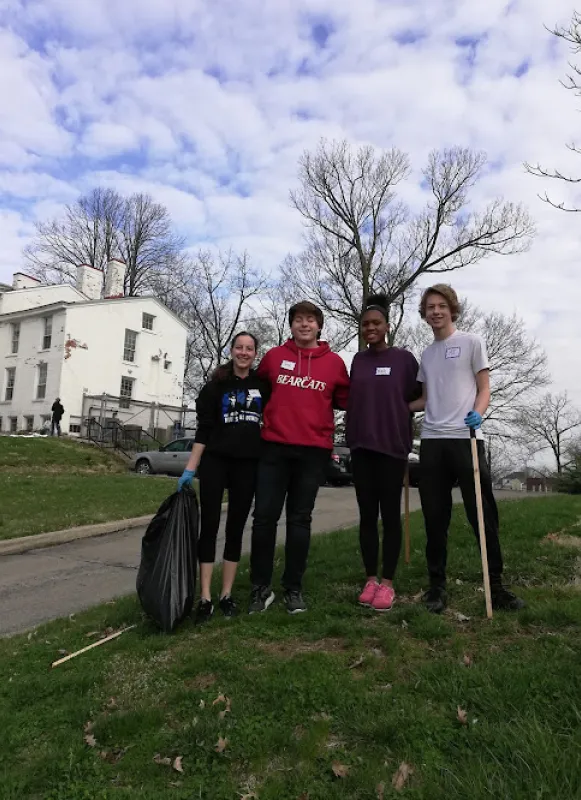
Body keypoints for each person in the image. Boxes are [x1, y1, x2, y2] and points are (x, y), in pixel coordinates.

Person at [409, 284, 525, 613]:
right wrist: (395, 405)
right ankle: (437, 588)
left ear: (452, 309)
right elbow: (425, 399)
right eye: (429, 306)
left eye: (441, 305)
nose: (435, 311)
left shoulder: (472, 342)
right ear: (424, 313)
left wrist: (480, 412)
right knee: (434, 517)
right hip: (432, 442)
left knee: (482, 515)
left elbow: (484, 388)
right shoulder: (427, 354)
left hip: (466, 439)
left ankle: (497, 587)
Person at [249, 301, 350, 615]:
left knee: (299, 520)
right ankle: (260, 588)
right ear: (291, 325)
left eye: (310, 320)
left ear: (319, 326)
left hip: (312, 452)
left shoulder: (334, 363)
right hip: (274, 449)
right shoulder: (274, 358)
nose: (304, 325)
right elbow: (255, 388)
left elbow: (347, 400)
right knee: (264, 518)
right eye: (298, 320)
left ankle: (293, 588)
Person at [177, 332, 270, 622]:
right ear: (232, 351)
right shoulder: (215, 387)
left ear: (255, 354)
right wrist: (190, 468)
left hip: (248, 464)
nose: (244, 352)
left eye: (249, 348)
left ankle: (226, 594)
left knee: (235, 528)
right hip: (216, 462)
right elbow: (203, 430)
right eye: (239, 347)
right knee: (210, 526)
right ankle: (205, 596)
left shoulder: (263, 386)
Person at [346, 294, 420, 612]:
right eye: (365, 325)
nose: (370, 328)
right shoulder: (358, 361)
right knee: (366, 516)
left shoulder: (404, 360)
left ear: (387, 326)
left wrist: (402, 410)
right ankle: (370, 578)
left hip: (391, 448)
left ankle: (388, 584)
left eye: (376, 323)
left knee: (390, 517)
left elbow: (423, 396)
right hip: (361, 446)